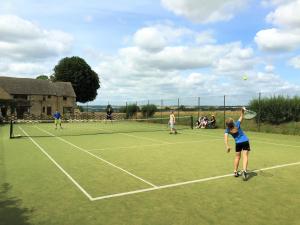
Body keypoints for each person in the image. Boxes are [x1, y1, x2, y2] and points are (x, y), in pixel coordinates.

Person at [224, 107, 250, 181]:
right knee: (245, 156)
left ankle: (235, 171)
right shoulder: (237, 124)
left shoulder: (227, 130)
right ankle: (244, 171)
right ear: (232, 122)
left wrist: (227, 146)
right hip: (245, 141)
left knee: (237, 157)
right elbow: (242, 116)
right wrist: (242, 110)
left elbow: (225, 138)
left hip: (238, 143)